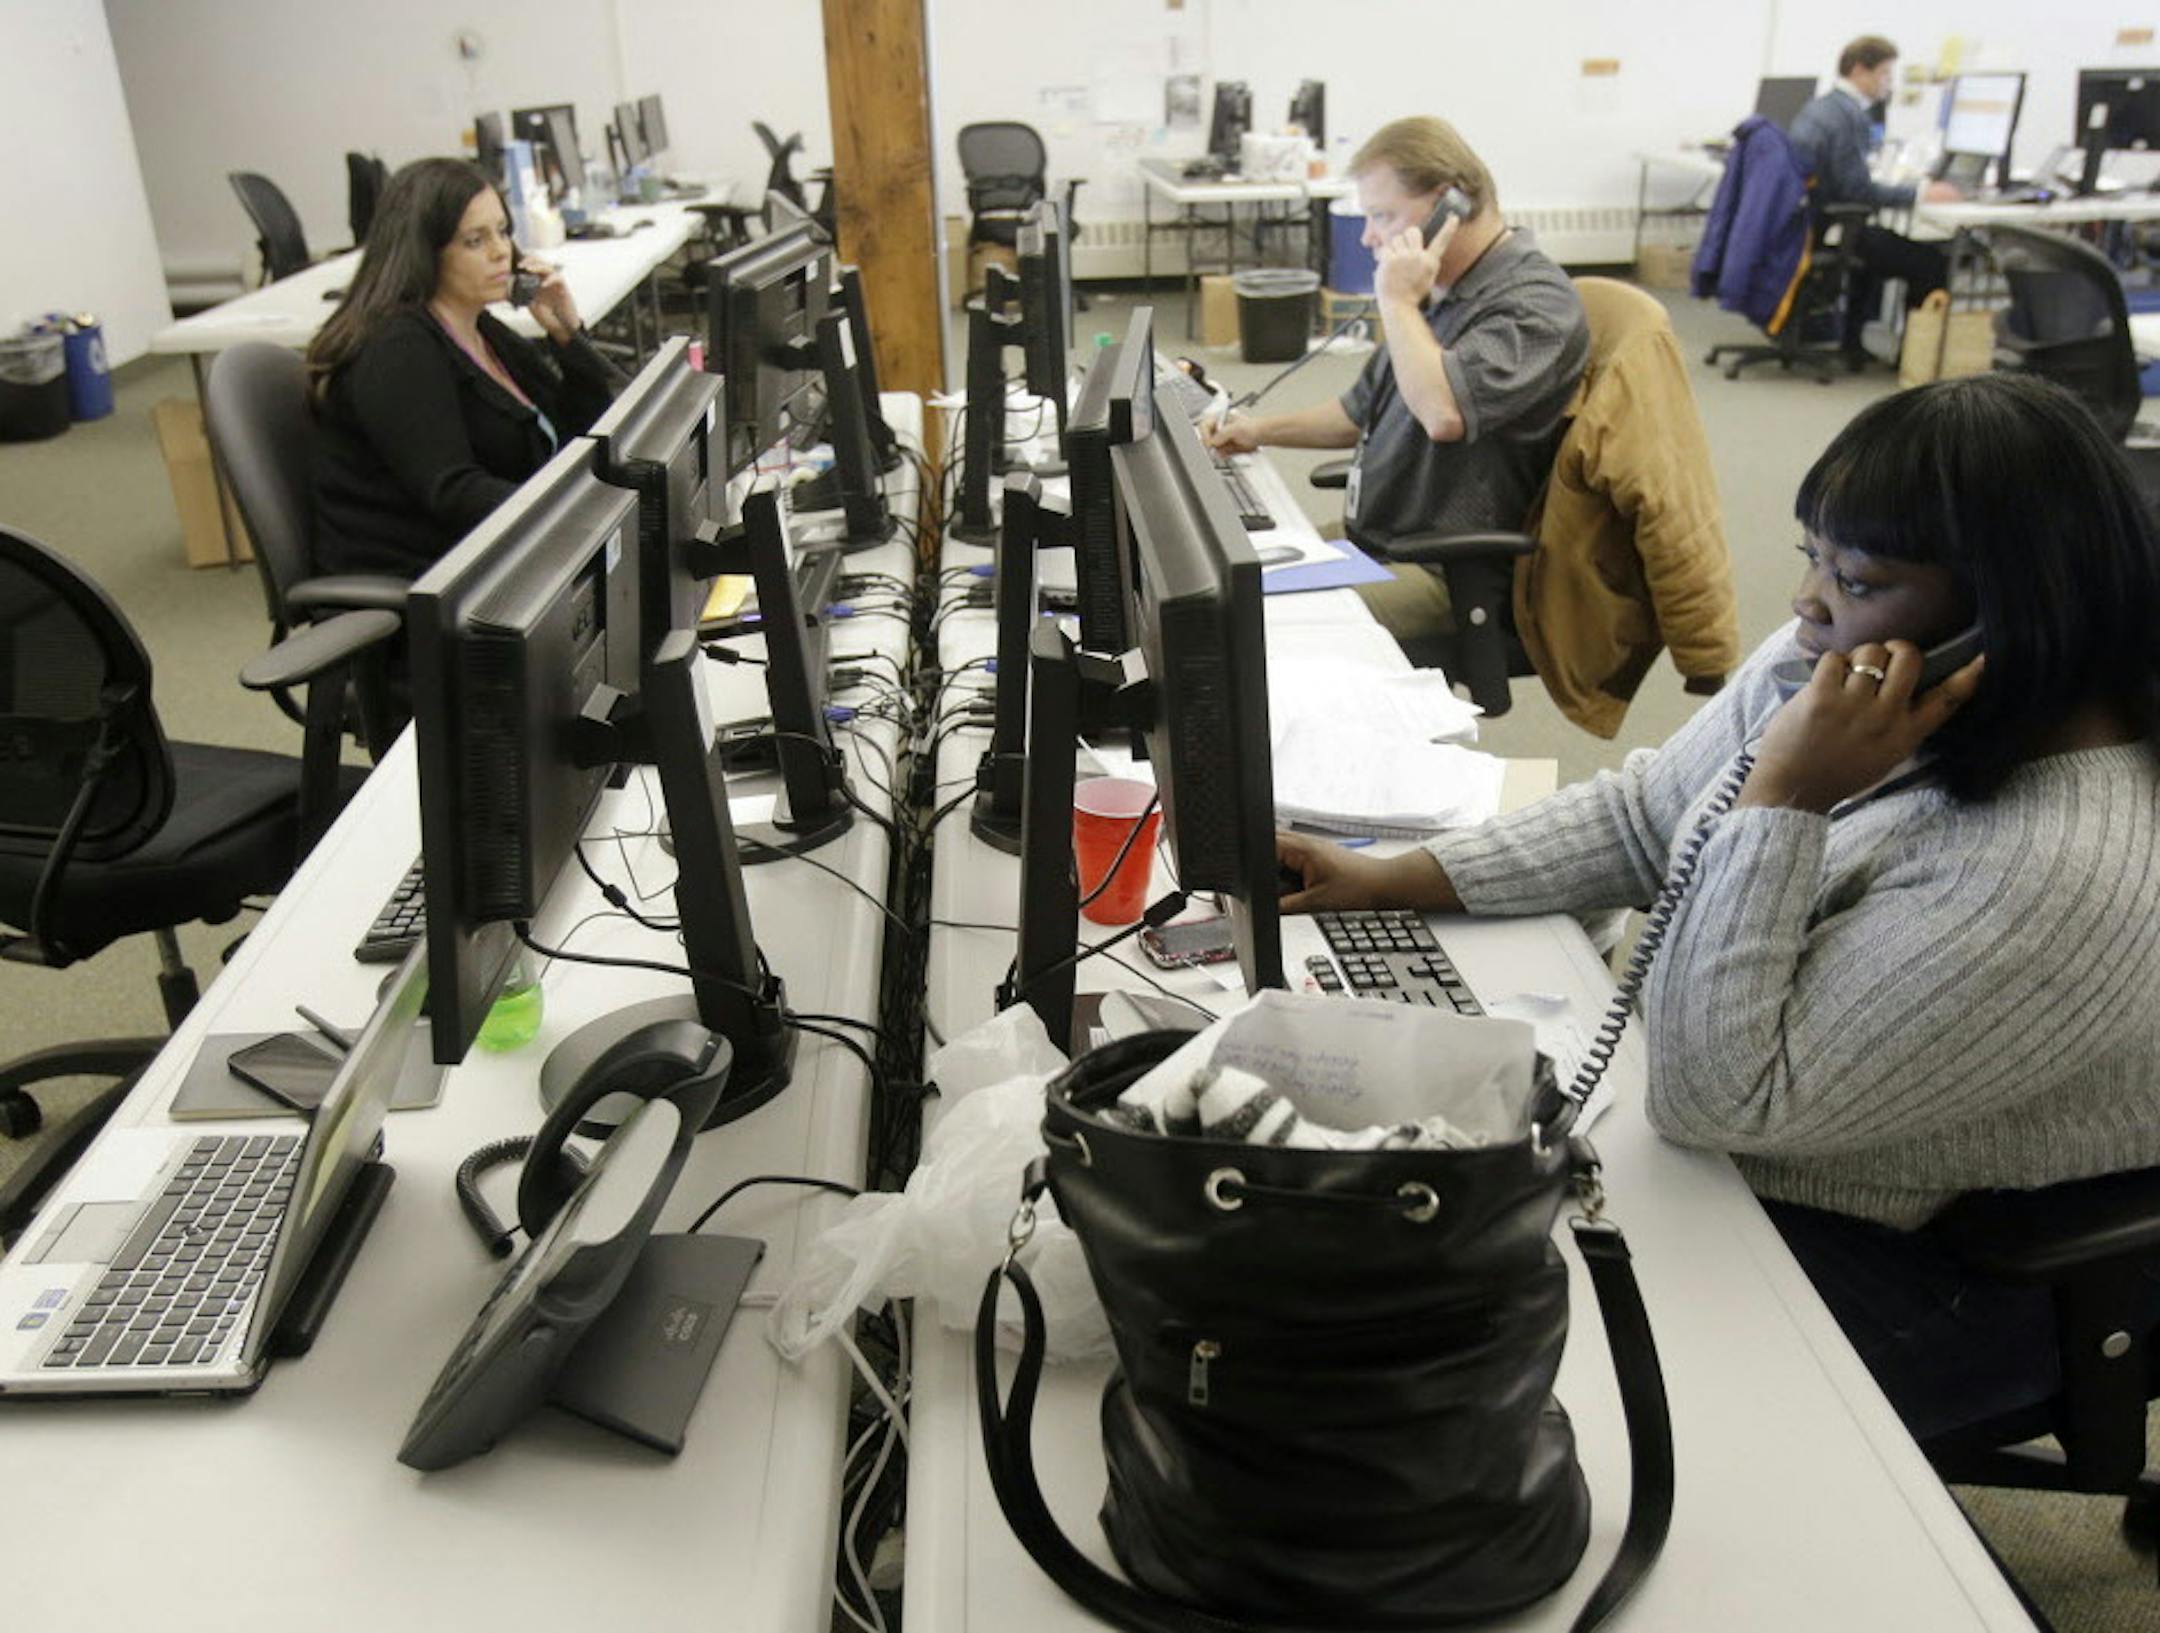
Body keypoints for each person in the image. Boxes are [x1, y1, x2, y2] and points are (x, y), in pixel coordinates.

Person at [1278, 373, 2160, 1440]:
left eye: (1859, 578)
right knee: (1391, 1235)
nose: (1808, 606)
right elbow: (1654, 813)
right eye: (1813, 559)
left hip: (1936, 1259)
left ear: (2003, 613)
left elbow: (1714, 1100)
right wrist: (1398, 877)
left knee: (1478, 1383)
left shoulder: (2053, 867)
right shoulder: (1848, 672)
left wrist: (1784, 796)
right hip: (1765, 1151)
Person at [1204, 116, 1588, 645]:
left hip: (1446, 572)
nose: (1368, 236)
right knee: (1213, 584)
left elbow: (1443, 413)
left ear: (1451, 204)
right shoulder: (1445, 292)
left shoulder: (1535, 303)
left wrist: (1398, 301)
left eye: (1382, 216)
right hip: (1380, 543)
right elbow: (1355, 411)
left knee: (1241, 628)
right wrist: (1259, 429)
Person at [308, 157, 624, 578]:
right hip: (433, 586)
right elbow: (453, 492)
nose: (502, 252)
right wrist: (576, 519)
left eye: (503, 232)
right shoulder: (397, 348)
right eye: (475, 241)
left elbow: (576, 434)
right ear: (424, 251)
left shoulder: (482, 328)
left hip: (499, 557)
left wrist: (569, 338)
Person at [1786, 35, 1960, 359]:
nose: (1888, 84)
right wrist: (1921, 192)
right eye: (1884, 74)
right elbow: (1857, 191)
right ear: (1858, 71)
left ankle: (1854, 344)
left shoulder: (1821, 108)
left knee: (1879, 244)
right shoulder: (1850, 117)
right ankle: (1913, 359)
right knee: (1932, 263)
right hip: (1835, 225)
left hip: (1815, 224)